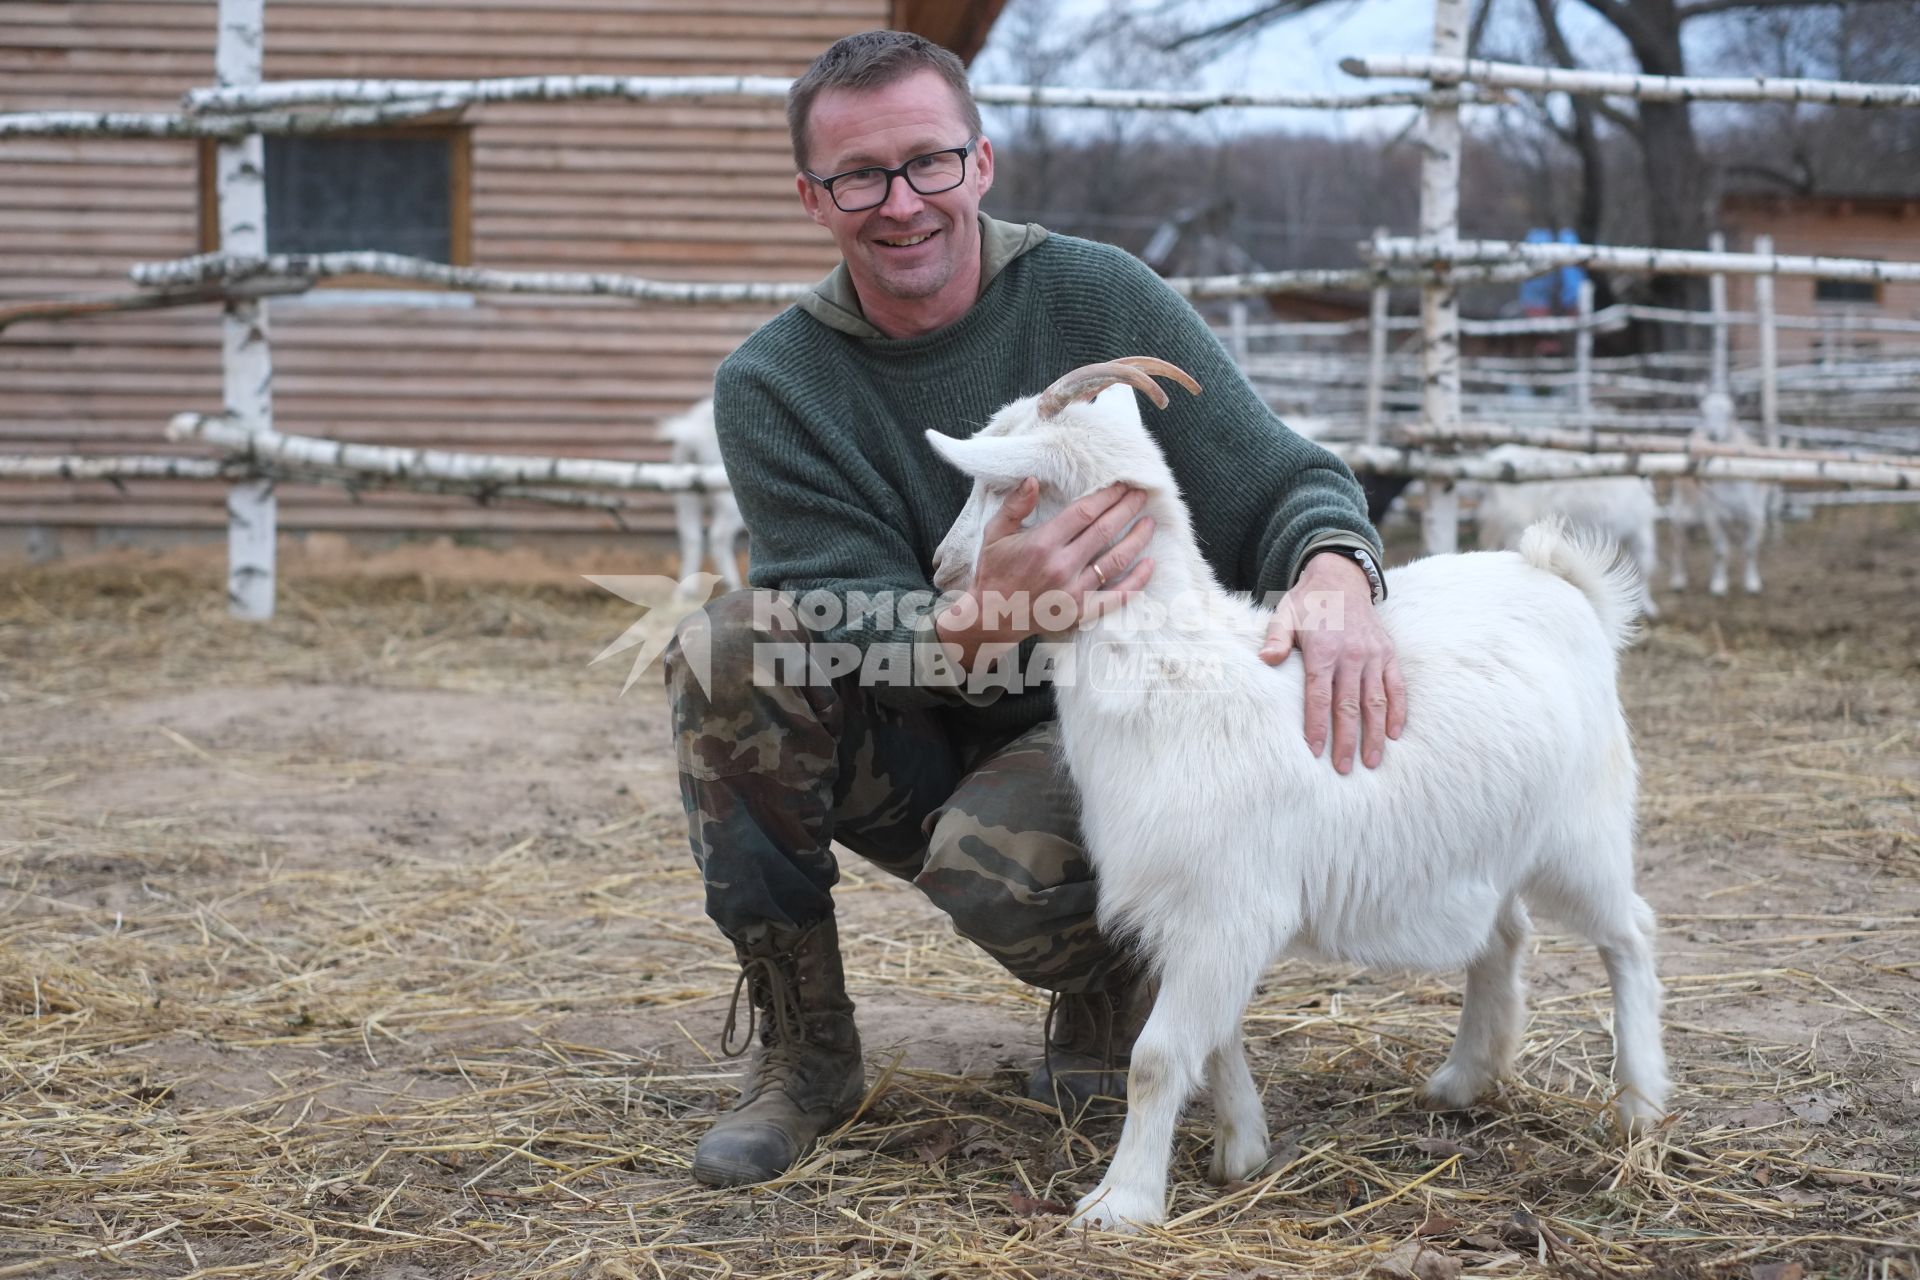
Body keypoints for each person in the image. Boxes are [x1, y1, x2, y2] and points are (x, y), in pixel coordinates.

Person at [664, 29, 1406, 1189]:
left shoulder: (1093, 298)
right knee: (727, 648)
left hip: (1110, 718)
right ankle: (806, 1047)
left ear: (983, 162)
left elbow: (1287, 479)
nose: (901, 203)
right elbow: (841, 611)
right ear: (813, 198)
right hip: (916, 711)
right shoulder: (777, 385)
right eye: (860, 175)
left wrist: (1336, 570)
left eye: (930, 163)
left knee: (992, 864)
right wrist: (981, 615)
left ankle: (1124, 984)